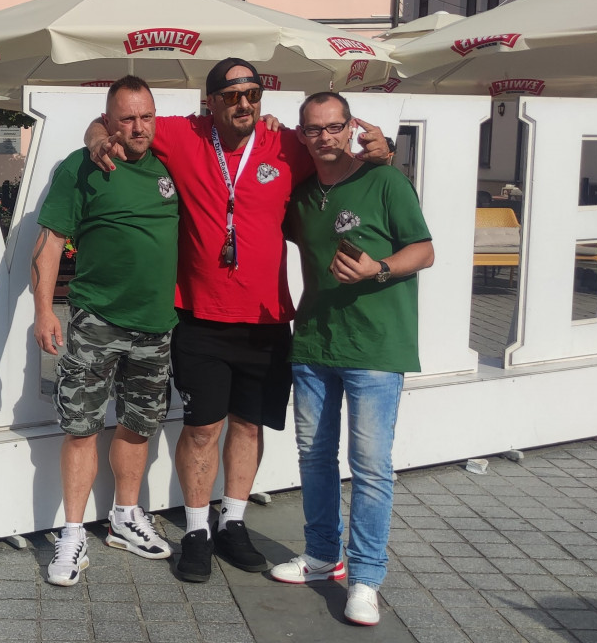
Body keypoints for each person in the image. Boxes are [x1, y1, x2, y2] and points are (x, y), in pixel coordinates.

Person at [85, 60, 390, 583]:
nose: (244, 103)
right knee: (203, 429)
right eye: (231, 96)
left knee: (249, 424)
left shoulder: (288, 143)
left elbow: (341, 154)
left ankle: (233, 523)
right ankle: (197, 531)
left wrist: (385, 149)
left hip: (266, 319)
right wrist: (96, 137)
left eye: (253, 92)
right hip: (199, 316)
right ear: (210, 102)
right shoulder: (183, 134)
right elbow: (111, 123)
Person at [269, 92, 434, 627]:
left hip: (376, 347)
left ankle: (365, 578)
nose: (325, 137)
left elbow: (424, 250)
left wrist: (377, 269)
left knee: (370, 467)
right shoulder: (302, 196)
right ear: (302, 135)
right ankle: (323, 556)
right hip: (314, 343)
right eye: (314, 129)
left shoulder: (385, 181)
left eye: (334, 127)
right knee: (314, 458)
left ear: (350, 127)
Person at [33, 75, 180, 587]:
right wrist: (44, 311)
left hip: (156, 326)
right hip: (96, 320)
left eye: (146, 117)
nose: (139, 128)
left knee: (140, 423)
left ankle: (124, 517)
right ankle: (72, 533)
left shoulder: (171, 163)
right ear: (107, 121)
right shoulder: (82, 166)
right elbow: (50, 243)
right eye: (126, 119)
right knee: (81, 428)